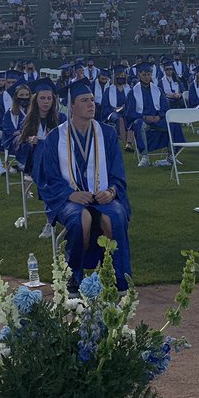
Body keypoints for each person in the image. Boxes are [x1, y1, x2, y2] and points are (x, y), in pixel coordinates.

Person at [40, 81, 131, 291]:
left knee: (114, 217)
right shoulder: (55, 138)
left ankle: (118, 279)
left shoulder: (107, 134)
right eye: (84, 101)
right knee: (82, 218)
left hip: (103, 196)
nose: (91, 104)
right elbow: (48, 179)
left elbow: (118, 173)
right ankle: (75, 276)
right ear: (71, 107)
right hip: (69, 200)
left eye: (92, 100)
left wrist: (111, 191)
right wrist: (69, 194)